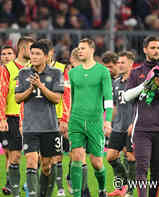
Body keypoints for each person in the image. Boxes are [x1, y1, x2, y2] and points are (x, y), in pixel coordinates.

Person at [123, 36, 159, 197]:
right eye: (152, 47)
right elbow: (126, 96)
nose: (156, 51)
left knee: (156, 171)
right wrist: (145, 84)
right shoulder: (136, 72)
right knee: (141, 168)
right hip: (141, 129)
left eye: (158, 48)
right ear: (145, 49)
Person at [63, 38, 113, 197]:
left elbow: (108, 98)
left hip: (95, 122)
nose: (79, 51)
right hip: (76, 121)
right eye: (78, 48)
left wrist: (108, 120)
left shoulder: (103, 71)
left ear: (92, 50)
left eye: (83, 48)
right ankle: (77, 195)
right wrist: (66, 119)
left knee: (97, 163)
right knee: (76, 156)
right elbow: (70, 98)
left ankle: (102, 189)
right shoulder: (72, 73)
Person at [0, 37, 34, 197]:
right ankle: (13, 187)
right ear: (23, 48)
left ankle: (27, 184)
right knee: (13, 154)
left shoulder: (35, 67)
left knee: (36, 156)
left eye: (8, 53)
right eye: (31, 48)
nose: (34, 52)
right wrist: (0, 116)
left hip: (33, 118)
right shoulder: (6, 70)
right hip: (11, 117)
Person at [15, 41, 64, 197]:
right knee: (31, 162)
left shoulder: (56, 73)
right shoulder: (23, 73)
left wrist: (41, 86)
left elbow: (57, 99)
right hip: (30, 127)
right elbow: (17, 98)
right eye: (32, 53)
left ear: (46, 56)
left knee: (46, 166)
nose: (34, 57)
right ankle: (33, 194)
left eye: (37, 54)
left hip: (50, 127)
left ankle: (45, 194)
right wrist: (30, 88)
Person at [38, 38, 68, 197]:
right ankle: (39, 187)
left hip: (56, 118)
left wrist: (64, 118)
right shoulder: (32, 69)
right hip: (38, 119)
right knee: (41, 160)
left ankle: (60, 188)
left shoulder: (63, 69)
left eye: (45, 52)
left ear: (51, 53)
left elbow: (68, 95)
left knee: (57, 155)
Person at [106, 51, 136, 197]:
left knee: (130, 157)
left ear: (131, 64)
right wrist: (108, 123)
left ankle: (129, 191)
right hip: (118, 126)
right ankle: (125, 183)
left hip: (132, 126)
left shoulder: (136, 82)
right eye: (118, 63)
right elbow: (115, 106)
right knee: (111, 157)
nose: (120, 65)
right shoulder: (116, 83)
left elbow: (141, 105)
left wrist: (135, 123)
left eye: (122, 62)